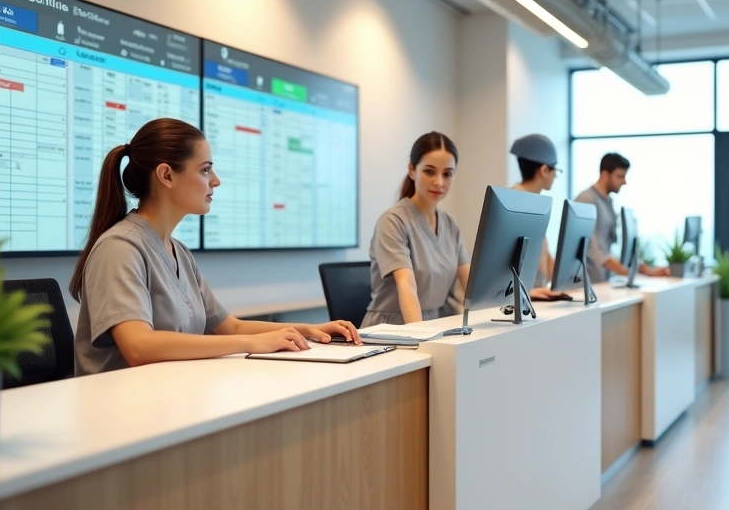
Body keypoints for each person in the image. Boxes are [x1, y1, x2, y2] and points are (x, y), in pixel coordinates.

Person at [70, 118, 359, 376]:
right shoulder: (119, 247)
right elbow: (138, 346)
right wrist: (251, 343)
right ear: (166, 175)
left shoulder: (178, 251)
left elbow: (229, 326)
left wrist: (306, 330)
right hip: (120, 410)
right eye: (206, 170)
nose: (216, 181)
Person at [363, 132, 470, 326]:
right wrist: (420, 338)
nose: (439, 182)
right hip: (392, 329)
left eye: (447, 174)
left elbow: (473, 286)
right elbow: (407, 286)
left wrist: (518, 295)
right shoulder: (393, 221)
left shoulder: (451, 225)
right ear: (412, 170)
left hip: (435, 325)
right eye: (430, 172)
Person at [573, 152, 670, 283]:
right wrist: (628, 273)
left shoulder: (608, 202)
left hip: (602, 280)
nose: (624, 182)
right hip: (588, 282)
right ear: (605, 175)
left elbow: (614, 248)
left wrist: (647, 271)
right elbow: (592, 249)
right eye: (620, 176)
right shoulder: (586, 199)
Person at [508, 134, 563, 299]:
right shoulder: (514, 204)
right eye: (555, 170)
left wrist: (567, 282)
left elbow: (543, 254)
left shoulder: (535, 204)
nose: (555, 176)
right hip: (519, 299)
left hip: (534, 295)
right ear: (544, 170)